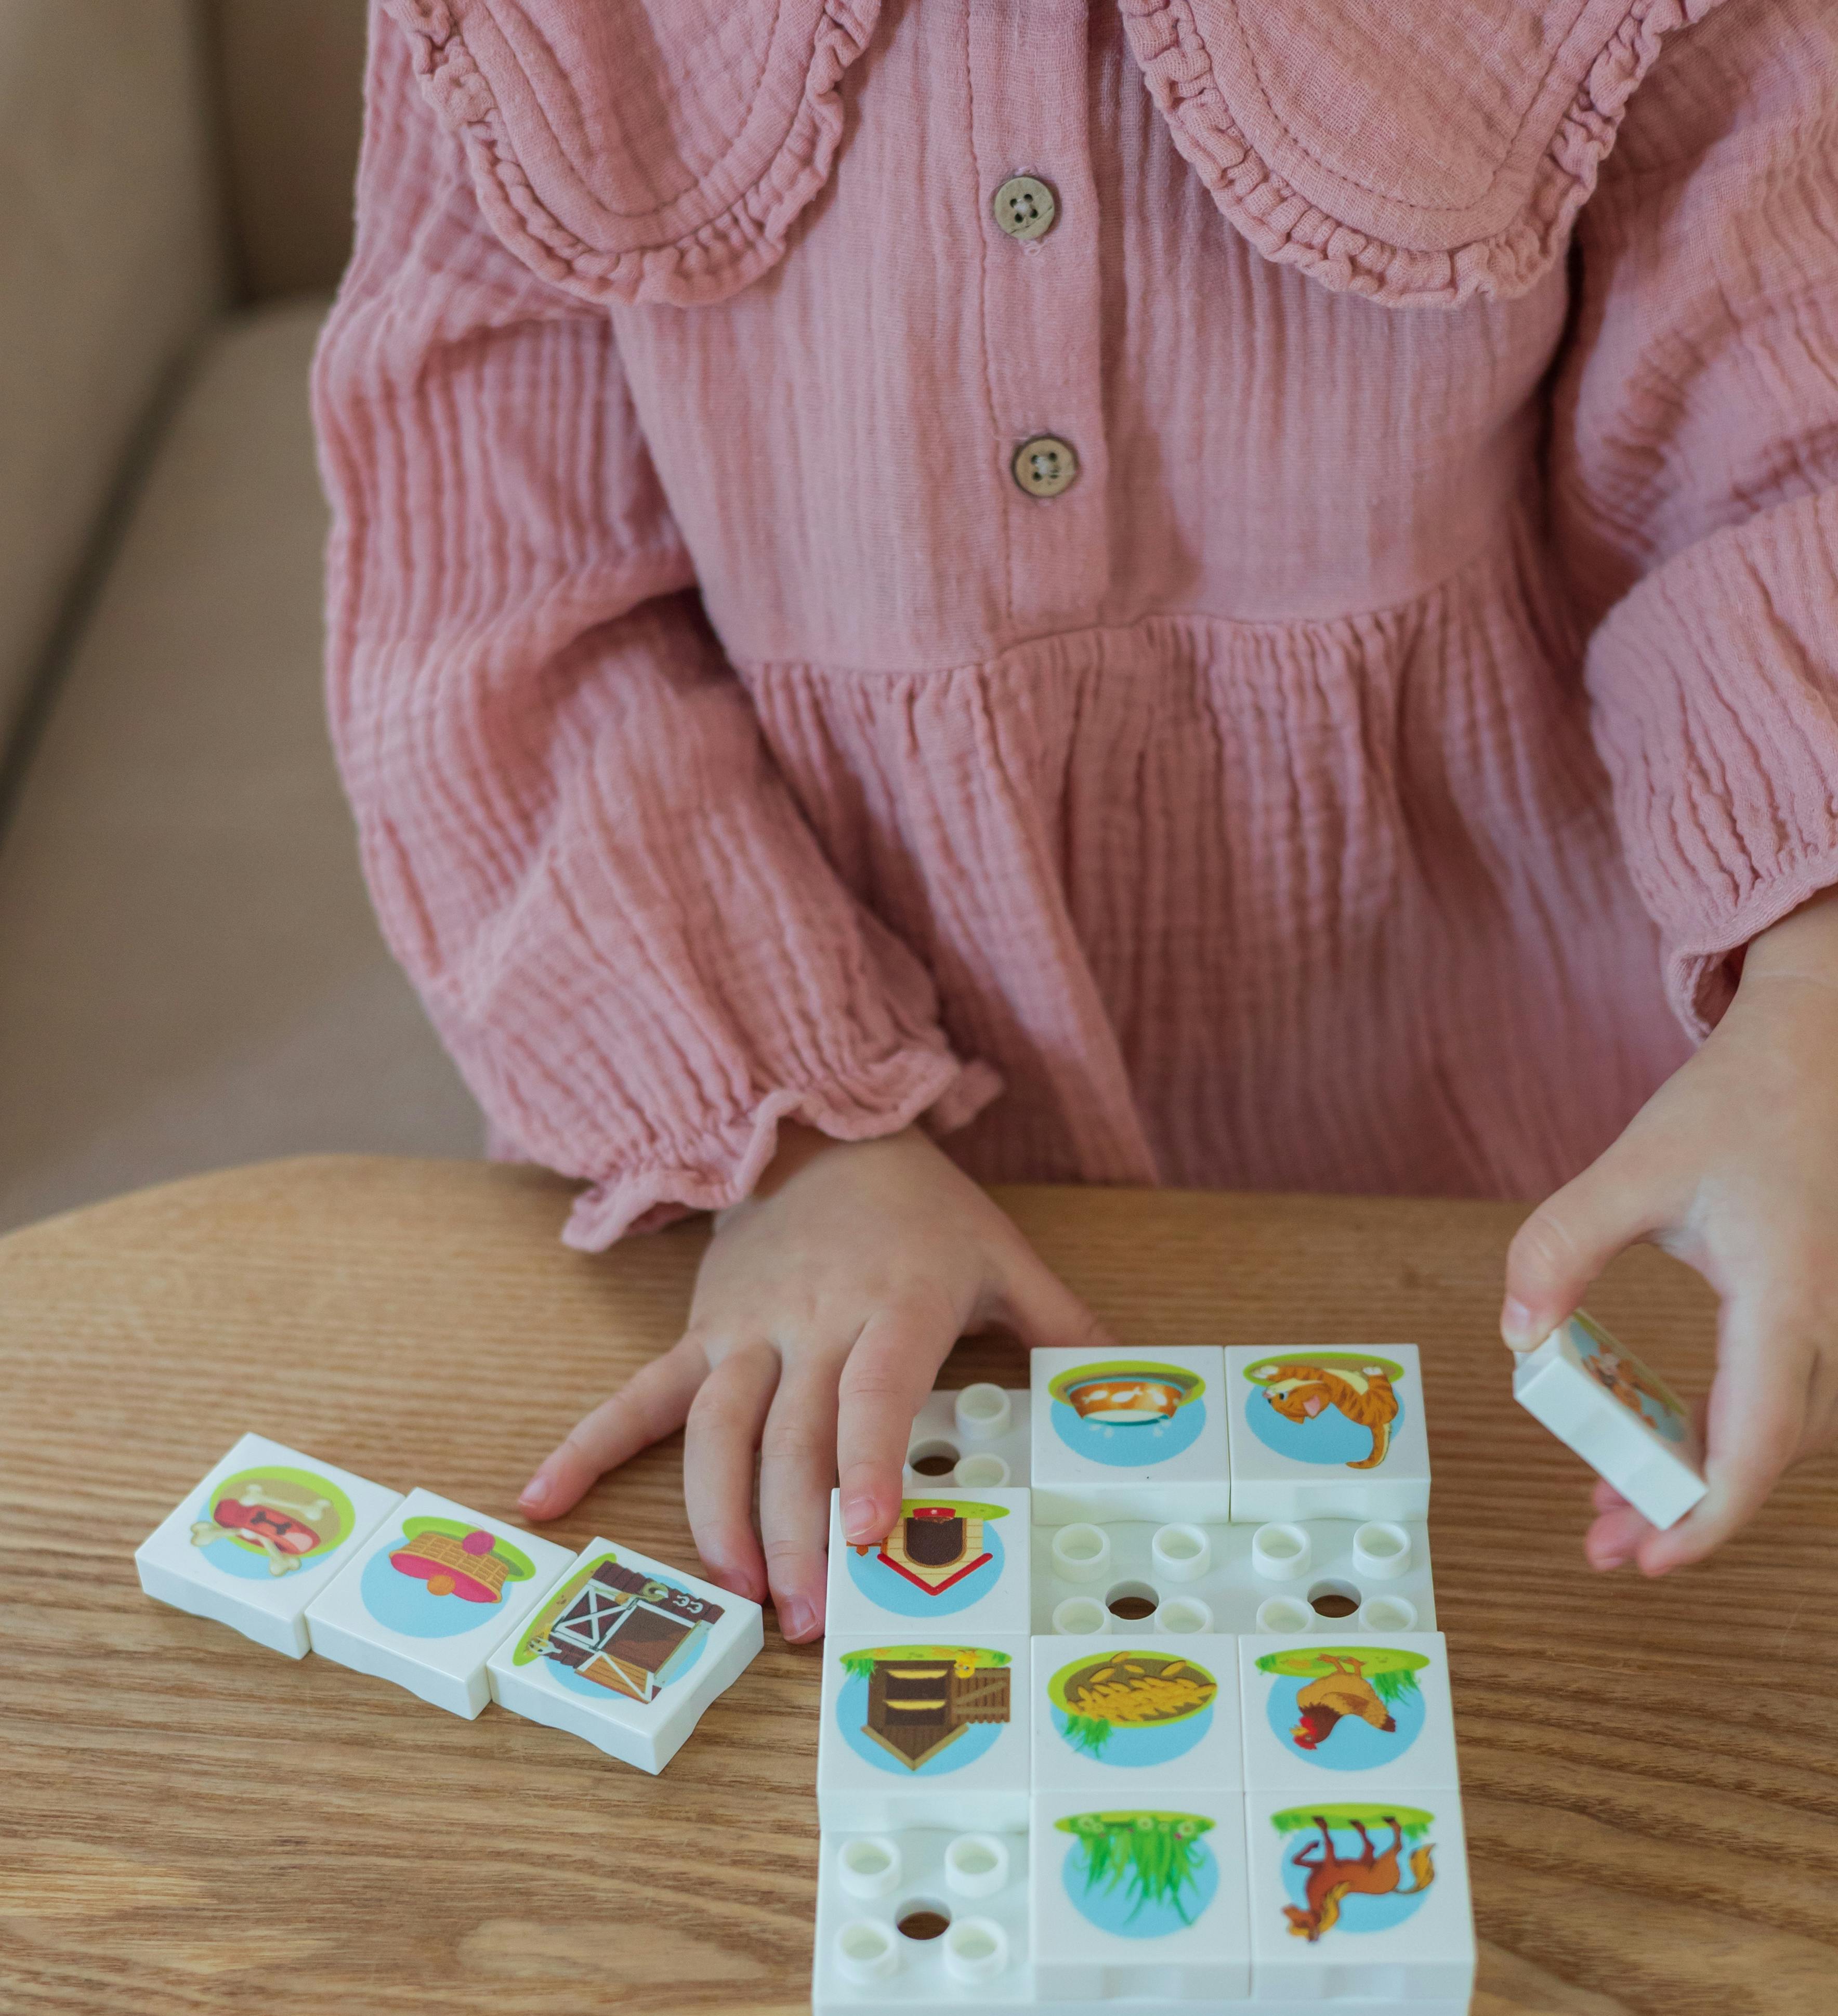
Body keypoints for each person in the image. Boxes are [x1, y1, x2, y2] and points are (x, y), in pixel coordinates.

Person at [315, 0, 1838, 1642]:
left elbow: (1780, 445)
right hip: (814, 1194)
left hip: (1549, 1148)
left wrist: (1812, 996)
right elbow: (499, 612)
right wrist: (803, 1139)